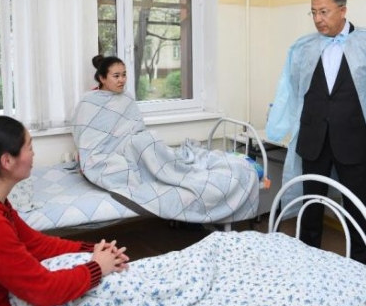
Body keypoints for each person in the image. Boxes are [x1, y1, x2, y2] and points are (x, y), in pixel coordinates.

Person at [265, 0, 366, 264]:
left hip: (354, 141)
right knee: (311, 204)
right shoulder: (304, 48)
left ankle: (359, 264)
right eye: (313, 12)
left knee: (356, 207)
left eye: (324, 11)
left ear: (342, 10)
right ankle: (307, 261)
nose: (318, 19)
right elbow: (292, 89)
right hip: (313, 140)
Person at [0, 116, 129, 306]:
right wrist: (97, 267)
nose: (33, 154)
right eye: (30, 147)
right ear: (7, 161)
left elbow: (34, 243)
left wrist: (92, 249)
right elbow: (44, 291)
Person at [72, 55, 259, 224]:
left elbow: (135, 128)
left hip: (131, 145)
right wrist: (88, 156)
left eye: (124, 74)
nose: (122, 80)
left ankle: (175, 172)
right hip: (108, 153)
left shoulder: (126, 98)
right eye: (116, 76)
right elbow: (86, 136)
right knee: (120, 168)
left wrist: (137, 141)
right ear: (102, 78)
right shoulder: (89, 102)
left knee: (148, 140)